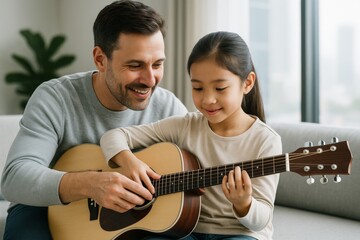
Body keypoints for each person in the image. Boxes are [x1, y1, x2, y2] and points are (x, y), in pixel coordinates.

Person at [0, 0, 188, 239]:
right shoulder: (55, 97)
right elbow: (15, 177)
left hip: (130, 220)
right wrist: (89, 184)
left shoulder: (168, 107)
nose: (150, 79)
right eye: (135, 65)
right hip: (44, 209)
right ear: (100, 59)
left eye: (157, 64)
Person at [100, 31, 282, 240]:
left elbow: (262, 220)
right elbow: (112, 137)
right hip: (186, 230)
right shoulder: (185, 125)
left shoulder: (266, 141)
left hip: (240, 233)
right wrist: (130, 163)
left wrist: (244, 203)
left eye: (220, 88)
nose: (208, 99)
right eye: (198, 88)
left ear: (247, 83)